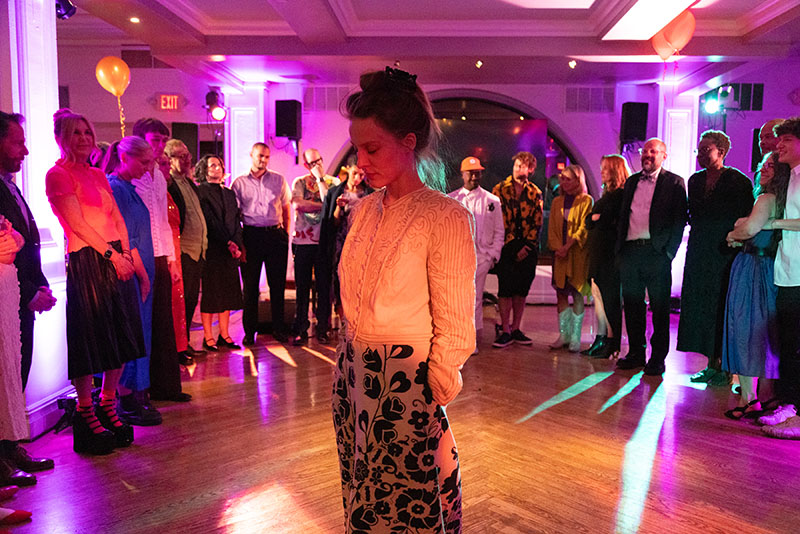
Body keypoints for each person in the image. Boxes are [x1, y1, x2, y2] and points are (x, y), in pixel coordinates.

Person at [333, 67, 475, 533]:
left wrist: (432, 390)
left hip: (405, 384)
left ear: (408, 141)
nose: (360, 161)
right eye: (357, 148)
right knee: (364, 500)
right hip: (354, 377)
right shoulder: (364, 210)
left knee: (407, 508)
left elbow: (456, 323)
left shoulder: (445, 216)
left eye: (372, 149)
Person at [45, 109, 139, 454]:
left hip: (115, 257)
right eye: (75, 133)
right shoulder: (57, 175)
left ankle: (108, 403)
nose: (84, 138)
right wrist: (113, 256)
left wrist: (125, 254)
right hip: (88, 259)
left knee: (120, 338)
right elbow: (78, 224)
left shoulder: (98, 173)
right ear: (61, 138)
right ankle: (85, 410)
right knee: (88, 340)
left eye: (87, 132)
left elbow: (117, 217)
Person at [0, 112, 56, 481]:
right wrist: (29, 292)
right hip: (7, 296)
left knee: (16, 373)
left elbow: (27, 242)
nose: (25, 150)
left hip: (20, 295)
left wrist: (41, 284)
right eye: (17, 142)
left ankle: (9, 448)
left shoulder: (10, 186)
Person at [678, 131, 754, 385]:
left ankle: (725, 367)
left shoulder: (738, 181)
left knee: (721, 304)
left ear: (721, 151)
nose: (700, 154)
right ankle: (711, 364)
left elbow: (745, 216)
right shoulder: (695, 180)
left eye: (706, 150)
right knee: (701, 305)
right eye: (699, 150)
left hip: (725, 252)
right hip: (699, 250)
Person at [104, 137, 169, 426]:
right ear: (124, 157)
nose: (147, 168)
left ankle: (138, 394)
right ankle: (126, 398)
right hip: (132, 271)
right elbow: (127, 239)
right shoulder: (116, 189)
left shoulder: (129, 188)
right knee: (130, 334)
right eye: (143, 162)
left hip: (142, 268)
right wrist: (143, 276)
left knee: (141, 332)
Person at [722, 152, 789, 419]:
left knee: (745, 329)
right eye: (763, 165)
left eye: (772, 166)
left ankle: (749, 399)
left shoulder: (766, 198)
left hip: (752, 268)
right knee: (763, 334)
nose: (764, 170)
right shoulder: (783, 201)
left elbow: (749, 230)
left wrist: (732, 233)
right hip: (768, 268)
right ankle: (763, 396)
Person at [616, 138, 687, 376]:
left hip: (657, 253)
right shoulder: (631, 181)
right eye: (645, 151)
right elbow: (624, 215)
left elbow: (679, 220)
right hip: (630, 251)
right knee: (632, 305)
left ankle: (658, 358)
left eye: (653, 151)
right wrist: (620, 250)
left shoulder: (675, 182)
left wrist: (669, 253)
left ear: (664, 155)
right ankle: (636, 353)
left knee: (660, 308)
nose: (647, 155)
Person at [132, 118, 192, 397]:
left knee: (163, 323)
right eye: (154, 139)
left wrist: (171, 260)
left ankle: (165, 386)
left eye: (162, 140)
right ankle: (141, 390)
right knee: (143, 324)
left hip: (159, 255)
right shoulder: (134, 174)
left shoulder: (157, 174)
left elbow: (163, 222)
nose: (159, 145)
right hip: (140, 255)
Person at [762, 117, 800, 438]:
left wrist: (772, 224)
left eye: (787, 139)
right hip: (787, 271)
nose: (779, 145)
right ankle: (789, 405)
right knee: (788, 344)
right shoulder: (791, 177)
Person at [231, 143, 291, 346]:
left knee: (277, 285)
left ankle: (278, 329)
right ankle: (249, 332)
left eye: (266, 156)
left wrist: (285, 235)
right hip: (251, 236)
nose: (263, 160)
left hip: (275, 235)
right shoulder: (239, 183)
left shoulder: (278, 180)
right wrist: (241, 243)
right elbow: (235, 215)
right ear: (251, 155)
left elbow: (286, 208)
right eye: (260, 156)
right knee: (250, 287)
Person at [448, 156, 504, 350]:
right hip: (458, 258)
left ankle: (471, 340)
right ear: (462, 174)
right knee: (458, 299)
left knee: (475, 298)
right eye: (471, 173)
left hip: (482, 258)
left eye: (477, 173)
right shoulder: (452, 199)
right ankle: (459, 336)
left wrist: (493, 255)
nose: (474, 177)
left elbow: (499, 231)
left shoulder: (492, 200)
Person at [491, 151, 544, 348]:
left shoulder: (535, 192)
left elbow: (537, 222)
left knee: (521, 290)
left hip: (528, 248)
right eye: (516, 165)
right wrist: (512, 246)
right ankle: (505, 329)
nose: (518, 169)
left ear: (531, 169)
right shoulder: (500, 190)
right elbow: (497, 220)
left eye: (522, 166)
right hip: (506, 246)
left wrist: (527, 247)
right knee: (505, 289)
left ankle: (516, 328)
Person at [319, 156, 373, 338]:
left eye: (361, 175)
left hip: (362, 243)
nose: (357, 178)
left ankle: (358, 325)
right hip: (341, 241)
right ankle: (339, 322)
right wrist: (338, 207)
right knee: (338, 280)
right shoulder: (336, 192)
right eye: (355, 173)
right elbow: (331, 223)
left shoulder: (368, 193)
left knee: (359, 282)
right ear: (348, 169)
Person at [290, 148, 339, 345]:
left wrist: (320, 180)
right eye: (312, 163)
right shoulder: (299, 182)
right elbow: (297, 204)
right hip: (303, 242)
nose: (316, 165)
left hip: (324, 242)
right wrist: (323, 207)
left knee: (324, 287)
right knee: (302, 288)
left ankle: (322, 329)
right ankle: (300, 329)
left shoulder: (333, 182)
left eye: (318, 161)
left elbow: (331, 203)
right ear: (305, 165)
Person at [582, 155, 629, 359]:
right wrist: (595, 219)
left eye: (605, 168)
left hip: (610, 254)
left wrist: (596, 219)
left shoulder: (620, 195)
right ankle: (601, 338)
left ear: (615, 171)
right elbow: (588, 222)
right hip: (598, 252)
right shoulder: (606, 196)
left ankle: (612, 341)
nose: (601, 172)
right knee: (598, 296)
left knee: (610, 298)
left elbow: (608, 220)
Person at [194, 155, 243, 351]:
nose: (217, 168)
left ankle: (225, 334)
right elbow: (210, 220)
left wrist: (236, 243)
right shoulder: (200, 191)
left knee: (228, 293)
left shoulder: (229, 193)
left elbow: (236, 219)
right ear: (204, 170)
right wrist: (227, 242)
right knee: (211, 293)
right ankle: (208, 337)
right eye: (212, 165)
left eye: (219, 165)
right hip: (213, 248)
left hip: (230, 250)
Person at [165, 139, 208, 357]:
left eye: (188, 155)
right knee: (180, 302)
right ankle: (177, 348)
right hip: (183, 250)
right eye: (182, 156)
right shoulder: (169, 184)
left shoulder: (189, 183)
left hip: (198, 250)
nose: (188, 159)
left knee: (191, 300)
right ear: (170, 159)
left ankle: (185, 343)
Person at [548, 164, 593, 352]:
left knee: (577, 292)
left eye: (568, 179)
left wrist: (568, 247)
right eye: (562, 179)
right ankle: (563, 335)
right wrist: (558, 248)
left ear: (578, 180)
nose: (564, 182)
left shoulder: (586, 200)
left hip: (577, 254)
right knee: (560, 292)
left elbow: (584, 227)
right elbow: (552, 228)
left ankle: (575, 337)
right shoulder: (556, 202)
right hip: (560, 255)